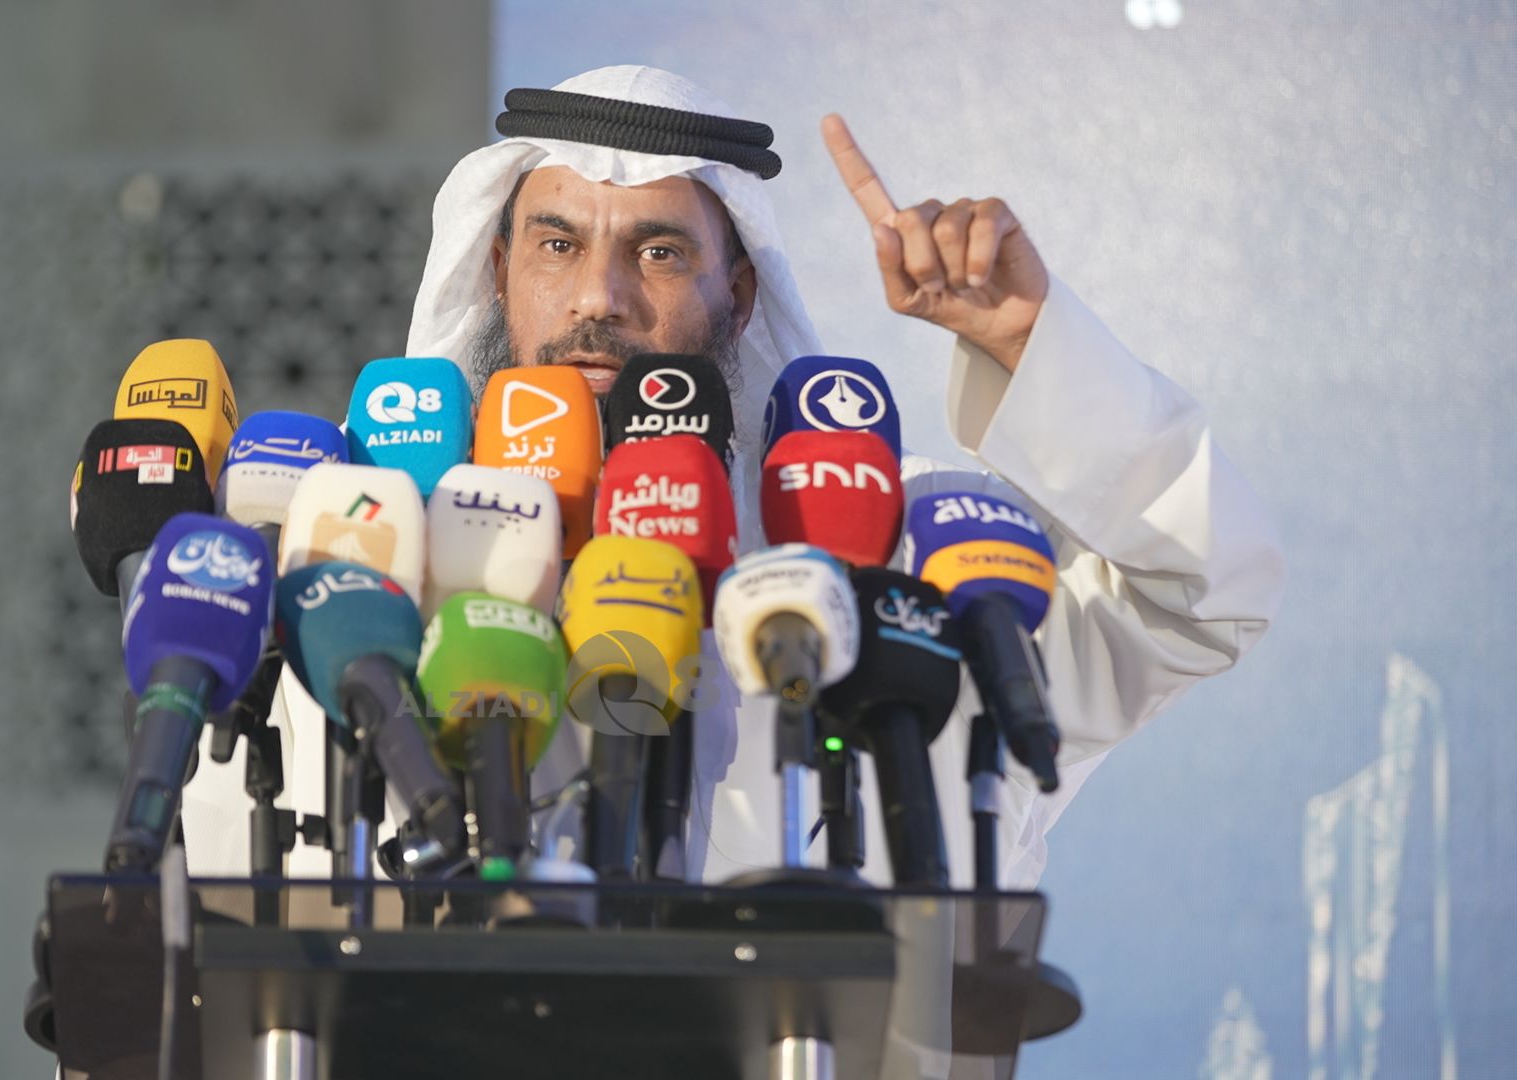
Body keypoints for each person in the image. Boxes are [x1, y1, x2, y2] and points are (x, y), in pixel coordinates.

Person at [180, 64, 1286, 889]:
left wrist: (1031, 349)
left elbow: (1199, 597)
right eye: (557, 245)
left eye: (659, 252)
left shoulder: (906, 557)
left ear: (741, 297)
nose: (599, 297)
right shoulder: (349, 556)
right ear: (497, 275)